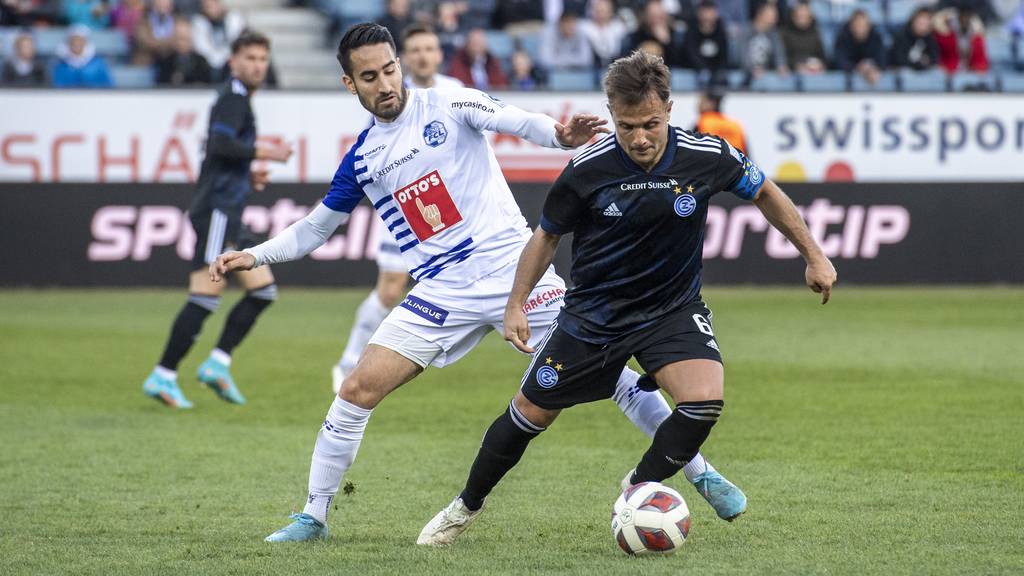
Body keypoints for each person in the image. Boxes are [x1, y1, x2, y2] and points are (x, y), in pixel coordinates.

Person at [209, 23, 740, 542]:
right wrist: (253, 254)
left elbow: (514, 119)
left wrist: (557, 135)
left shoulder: (449, 104)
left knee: (613, 376)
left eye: (389, 70)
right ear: (351, 84)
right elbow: (316, 229)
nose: (385, 84)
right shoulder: (364, 159)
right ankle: (313, 516)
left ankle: (701, 473)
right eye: (369, 77)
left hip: (518, 275)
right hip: (441, 292)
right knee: (354, 390)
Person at [417, 49, 836, 546]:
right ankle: (464, 506)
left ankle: (638, 490)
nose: (639, 137)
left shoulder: (709, 156)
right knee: (529, 416)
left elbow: (765, 190)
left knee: (704, 402)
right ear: (612, 115)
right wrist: (515, 306)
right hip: (593, 317)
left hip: (671, 309)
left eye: (650, 124)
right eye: (627, 125)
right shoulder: (585, 170)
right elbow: (545, 237)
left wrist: (814, 254)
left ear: (670, 111)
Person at [142, 30, 293, 409]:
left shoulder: (239, 100)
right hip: (218, 213)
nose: (258, 65)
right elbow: (221, 144)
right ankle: (163, 374)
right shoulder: (232, 100)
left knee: (263, 291)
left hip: (229, 212)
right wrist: (266, 153)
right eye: (251, 58)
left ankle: (217, 364)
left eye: (262, 58)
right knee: (206, 296)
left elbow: (220, 155)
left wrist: (248, 174)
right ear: (234, 62)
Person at [330, 23, 464, 393]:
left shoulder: (454, 92)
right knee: (389, 291)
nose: (423, 55)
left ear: (438, 54)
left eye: (430, 48)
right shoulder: (386, 97)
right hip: (408, 209)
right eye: (416, 49)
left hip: (455, 216)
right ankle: (347, 363)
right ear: (404, 58)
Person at [192, 0, 245, 78]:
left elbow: (235, 41)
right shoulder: (198, 22)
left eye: (212, 4)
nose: (210, 9)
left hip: (230, 60)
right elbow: (202, 47)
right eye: (207, 6)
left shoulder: (234, 18)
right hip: (207, 65)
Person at [155, 17, 213, 86]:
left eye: (185, 38)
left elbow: (207, 86)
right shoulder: (164, 63)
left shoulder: (201, 62)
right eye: (179, 38)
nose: (182, 43)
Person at [833, 9, 885, 85]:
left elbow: (883, 59)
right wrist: (857, 68)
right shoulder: (843, 38)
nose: (860, 29)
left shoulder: (876, 37)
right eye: (857, 25)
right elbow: (840, 61)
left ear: (868, 26)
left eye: (863, 25)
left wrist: (873, 68)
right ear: (851, 26)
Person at [934, 7, 990, 73]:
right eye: (961, 18)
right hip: (950, 71)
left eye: (967, 18)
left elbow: (981, 64)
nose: (964, 20)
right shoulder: (947, 36)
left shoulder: (976, 38)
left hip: (970, 72)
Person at [742, 2, 787, 82]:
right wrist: (752, 69)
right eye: (772, 15)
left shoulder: (773, 34)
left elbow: (779, 52)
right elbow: (743, 55)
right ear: (760, 15)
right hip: (747, 73)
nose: (775, 18)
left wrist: (781, 66)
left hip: (766, 72)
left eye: (775, 15)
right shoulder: (746, 31)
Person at [695, 88, 748, 156]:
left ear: (711, 103)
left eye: (701, 101)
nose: (698, 105)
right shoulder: (735, 125)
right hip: (736, 165)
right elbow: (747, 155)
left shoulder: (703, 123)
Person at [684, 0, 729, 77]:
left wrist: (717, 72)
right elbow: (691, 54)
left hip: (716, 72)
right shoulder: (691, 30)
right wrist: (703, 69)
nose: (707, 17)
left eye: (710, 13)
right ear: (699, 13)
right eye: (705, 13)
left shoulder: (721, 30)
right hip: (695, 71)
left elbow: (724, 56)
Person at [779, 0, 826, 74]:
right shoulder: (784, 33)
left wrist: (820, 65)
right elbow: (782, 57)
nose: (802, 17)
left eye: (805, 16)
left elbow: (822, 56)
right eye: (800, 15)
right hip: (792, 73)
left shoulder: (815, 33)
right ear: (793, 15)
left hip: (813, 72)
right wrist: (796, 66)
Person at [579, 0, 627, 67]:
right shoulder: (584, 27)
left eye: (604, 11)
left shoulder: (618, 27)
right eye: (598, 11)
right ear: (592, 11)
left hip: (615, 65)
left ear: (610, 12)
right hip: (590, 66)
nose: (601, 14)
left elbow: (617, 52)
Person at [134, 0, 177, 65]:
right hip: (149, 61)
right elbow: (145, 42)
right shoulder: (144, 20)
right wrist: (168, 43)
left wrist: (158, 42)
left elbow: (179, 41)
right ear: (153, 4)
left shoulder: (177, 21)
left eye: (165, 2)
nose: (162, 4)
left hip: (171, 61)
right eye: (160, 2)